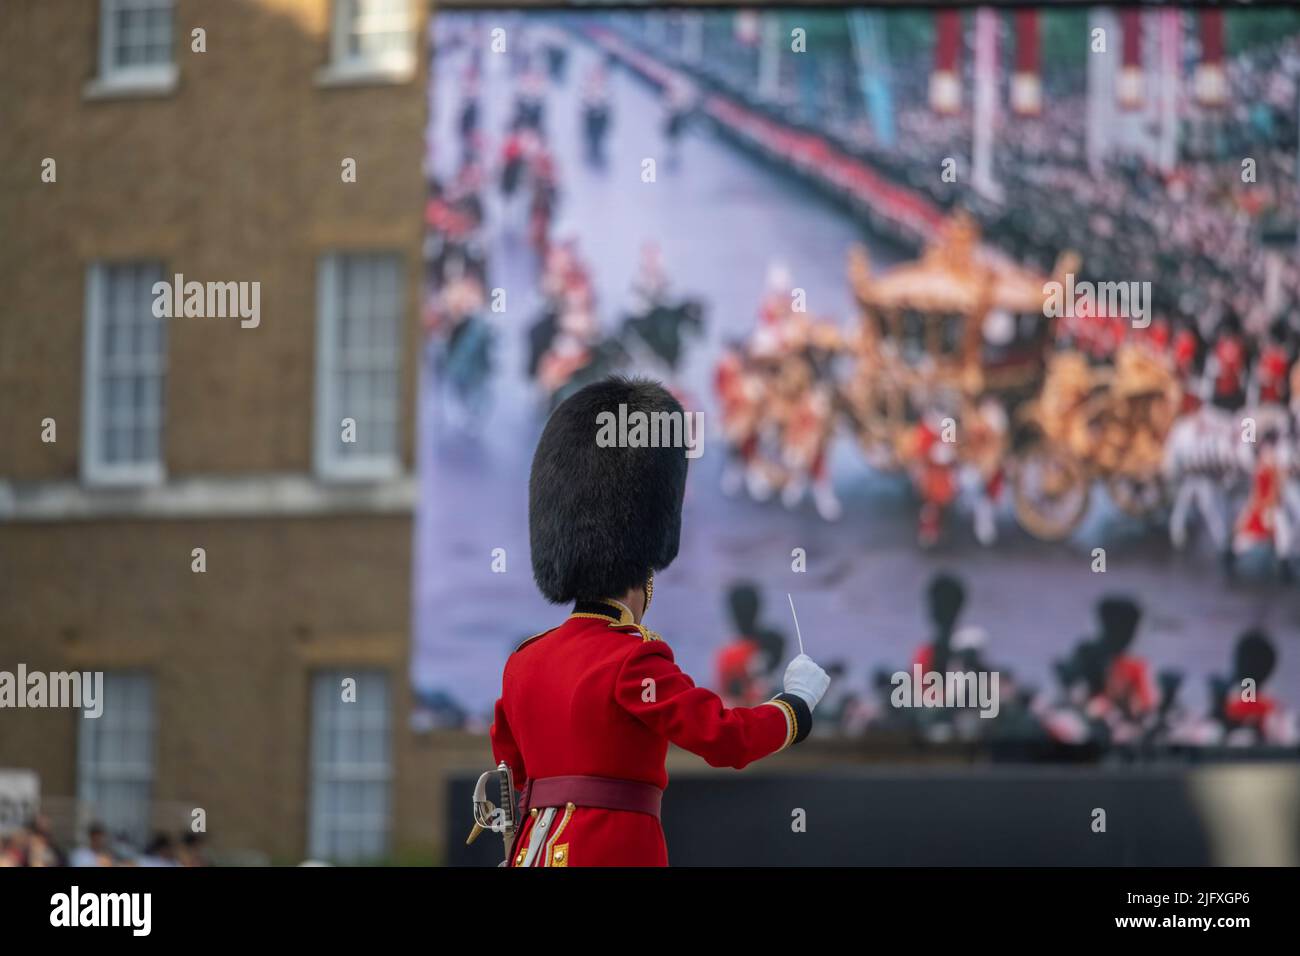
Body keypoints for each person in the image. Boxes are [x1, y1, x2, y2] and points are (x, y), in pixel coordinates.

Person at [490, 377, 831, 866]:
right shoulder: (632, 657)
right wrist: (795, 707)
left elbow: (510, 778)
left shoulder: (523, 662)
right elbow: (725, 739)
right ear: (644, 572)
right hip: (612, 849)